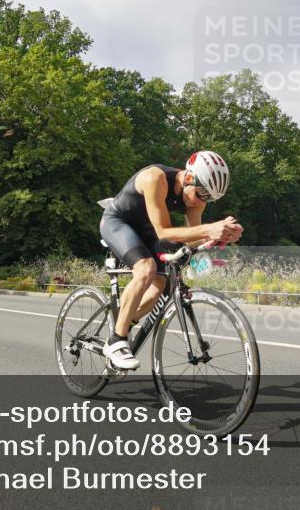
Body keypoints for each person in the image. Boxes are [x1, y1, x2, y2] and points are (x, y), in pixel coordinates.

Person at [99, 151, 243, 370]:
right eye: (201, 192)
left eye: (208, 198)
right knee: (146, 269)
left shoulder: (197, 197)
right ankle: (116, 341)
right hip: (117, 222)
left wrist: (220, 236)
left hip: (147, 232)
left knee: (162, 284)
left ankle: (125, 322)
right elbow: (164, 232)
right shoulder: (155, 178)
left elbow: (193, 238)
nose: (200, 200)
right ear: (188, 177)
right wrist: (209, 230)